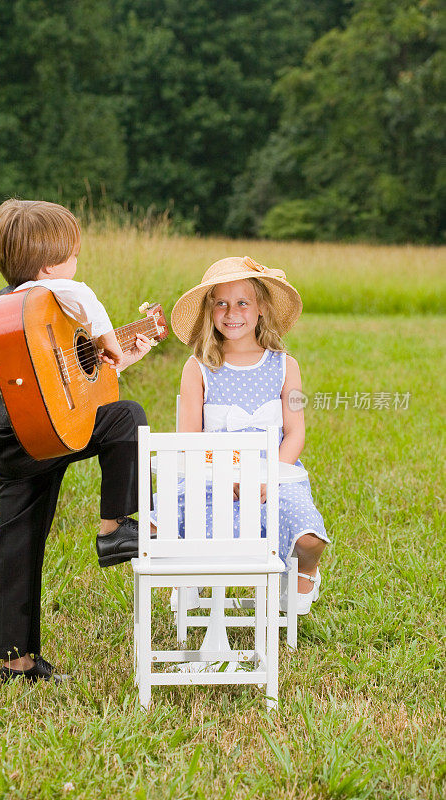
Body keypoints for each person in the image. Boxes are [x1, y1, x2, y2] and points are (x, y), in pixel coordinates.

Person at [0, 199, 152, 683]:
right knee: (128, 420)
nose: (77, 265)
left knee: (17, 541)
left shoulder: (16, 306)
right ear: (46, 265)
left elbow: (65, 378)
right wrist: (104, 334)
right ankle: (114, 528)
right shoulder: (51, 293)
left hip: (19, 439)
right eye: (73, 254)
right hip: (40, 433)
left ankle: (18, 663)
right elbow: (82, 294)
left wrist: (116, 359)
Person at [159, 255, 329, 615]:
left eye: (242, 303)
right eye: (220, 302)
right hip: (211, 476)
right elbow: (189, 438)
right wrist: (225, 476)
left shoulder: (286, 366)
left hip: (275, 474)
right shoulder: (198, 368)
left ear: (262, 308)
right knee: (178, 528)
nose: (231, 312)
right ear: (210, 310)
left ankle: (304, 573)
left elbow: (295, 432)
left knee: (310, 539)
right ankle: (190, 575)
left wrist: (266, 476)